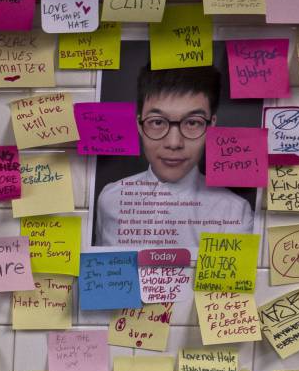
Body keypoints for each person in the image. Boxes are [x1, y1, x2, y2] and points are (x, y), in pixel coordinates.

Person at [93, 65, 256, 252]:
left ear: (211, 127)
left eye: (193, 123)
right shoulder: (109, 198)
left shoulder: (235, 212)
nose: (174, 143)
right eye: (157, 122)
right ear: (139, 125)